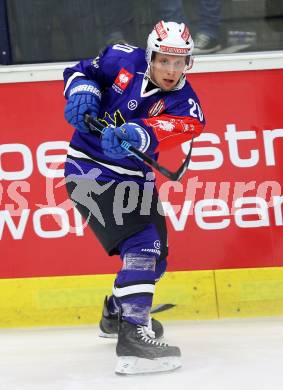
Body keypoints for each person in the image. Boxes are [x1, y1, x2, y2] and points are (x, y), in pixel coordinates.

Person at [63, 20, 205, 375]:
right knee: (143, 245)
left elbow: (155, 131)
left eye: (180, 62)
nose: (172, 71)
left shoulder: (188, 108)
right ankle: (134, 334)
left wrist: (134, 133)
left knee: (156, 259)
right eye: (164, 60)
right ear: (150, 55)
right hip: (88, 173)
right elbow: (80, 71)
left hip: (135, 183)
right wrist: (83, 92)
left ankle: (116, 313)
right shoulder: (120, 58)